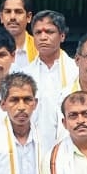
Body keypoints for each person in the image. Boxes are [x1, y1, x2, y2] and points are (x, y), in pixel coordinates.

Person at [20, 10, 77, 146]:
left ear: (62, 36)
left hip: (70, 143)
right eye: (38, 32)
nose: (43, 37)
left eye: (49, 32)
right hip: (33, 145)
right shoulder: (23, 75)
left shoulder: (76, 71)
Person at [0, 0, 36, 71]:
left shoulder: (40, 49)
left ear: (29, 17)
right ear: (1, 17)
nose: (12, 17)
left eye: (18, 12)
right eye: (8, 12)